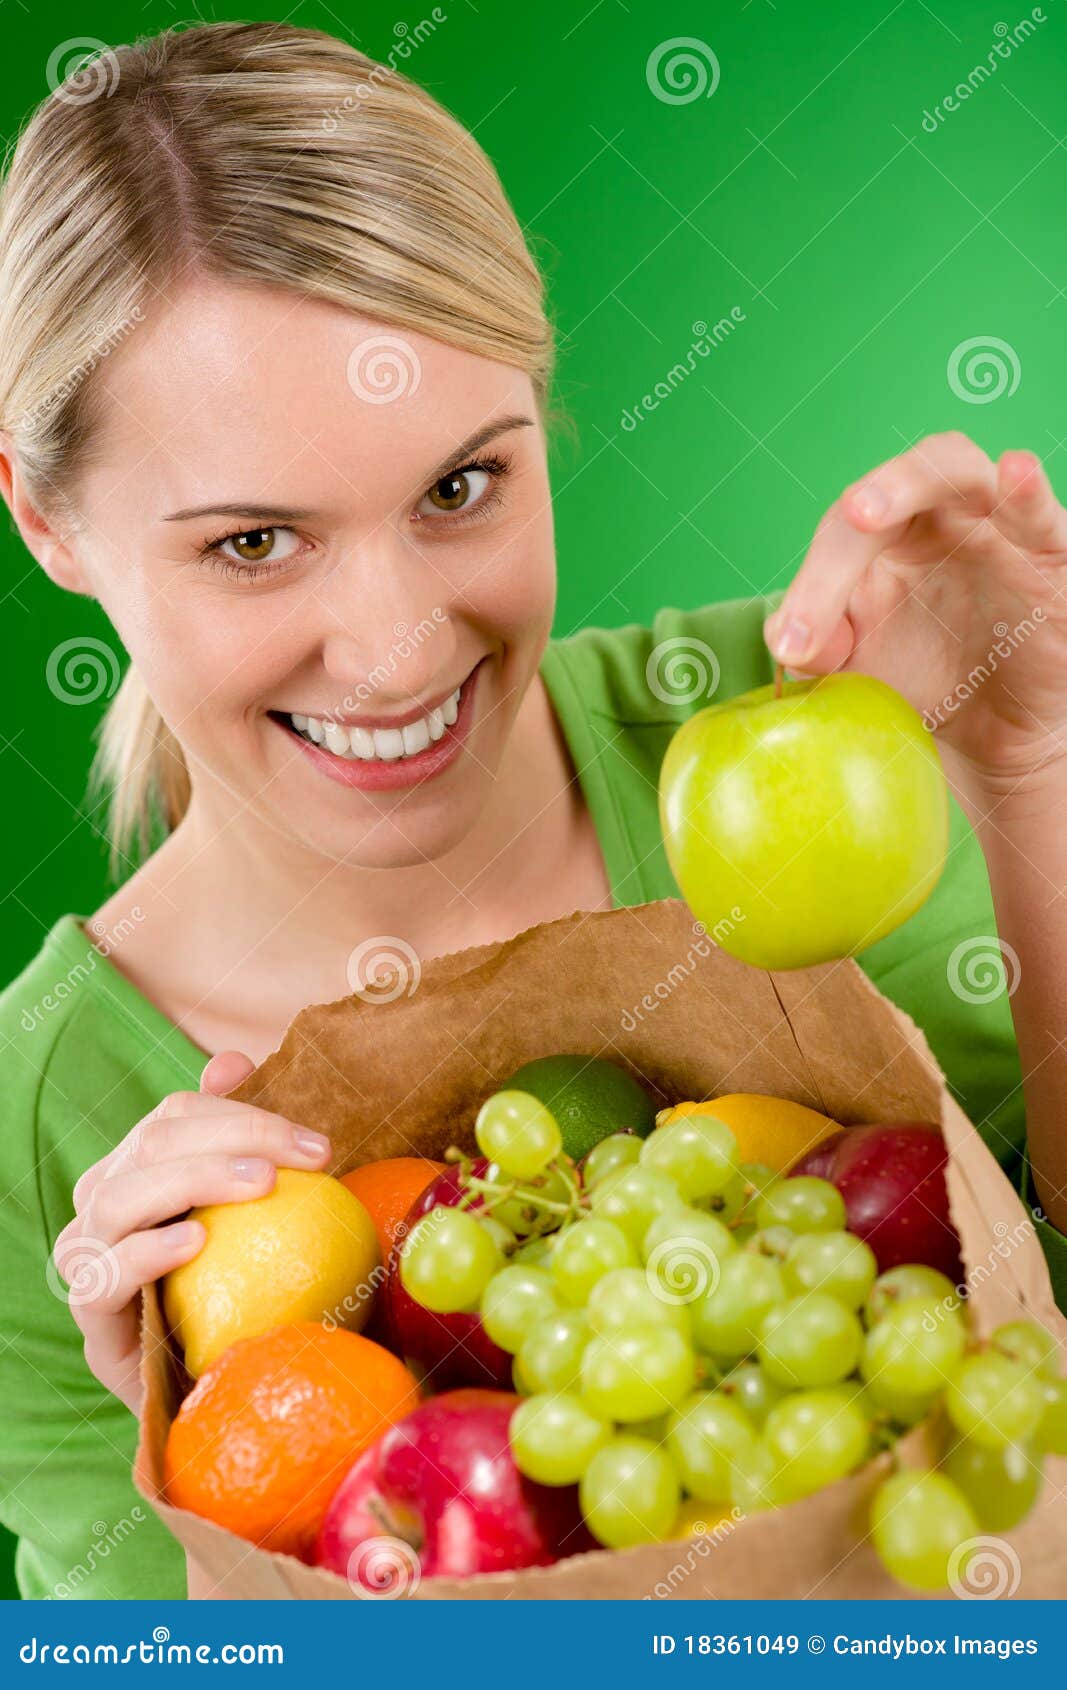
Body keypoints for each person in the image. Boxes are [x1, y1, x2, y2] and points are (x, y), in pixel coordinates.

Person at [0, 21, 1062, 1602]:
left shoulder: (810, 735)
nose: (400, 647)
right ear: (50, 524)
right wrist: (169, 1449)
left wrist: (1031, 773)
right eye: (252, 543)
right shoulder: (47, 1131)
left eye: (457, 489)